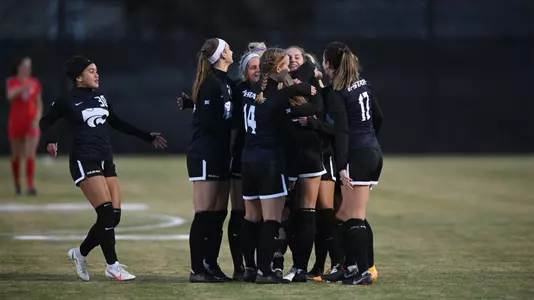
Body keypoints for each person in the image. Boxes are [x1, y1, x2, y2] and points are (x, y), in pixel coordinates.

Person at [39, 55, 167, 281]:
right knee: (106, 212)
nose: (97, 74)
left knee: (113, 217)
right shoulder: (67, 100)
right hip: (83, 160)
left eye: (96, 70)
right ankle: (112, 266)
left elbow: (116, 121)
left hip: (105, 160)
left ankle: (80, 253)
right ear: (79, 77)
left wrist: (147, 137)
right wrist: (50, 139)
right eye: (91, 71)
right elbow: (46, 121)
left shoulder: (101, 97)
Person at [240, 47, 316, 284]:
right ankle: (265, 272)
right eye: (284, 64)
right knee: (271, 220)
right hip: (269, 163)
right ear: (277, 68)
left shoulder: (250, 92)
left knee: (251, 218)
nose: (288, 68)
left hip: (248, 160)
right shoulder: (279, 98)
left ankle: (250, 268)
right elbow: (289, 136)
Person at [319, 42, 383, 285]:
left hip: (358, 154)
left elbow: (342, 131)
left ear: (328, 64)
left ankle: (364, 271)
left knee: (354, 215)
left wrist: (343, 164)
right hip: (372, 151)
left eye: (325, 62)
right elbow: (379, 117)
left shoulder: (339, 92)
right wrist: (369, 141)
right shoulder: (363, 84)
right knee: (345, 214)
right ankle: (352, 266)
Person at [186, 38, 235, 283]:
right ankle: (197, 270)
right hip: (205, 154)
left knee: (218, 214)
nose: (231, 51)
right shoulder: (210, 84)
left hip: (221, 154)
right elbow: (209, 123)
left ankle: (211, 265)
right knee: (204, 213)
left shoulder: (224, 82)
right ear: (220, 56)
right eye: (227, 49)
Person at [6, 56, 43, 196]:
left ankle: (30, 186)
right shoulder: (12, 82)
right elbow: (10, 96)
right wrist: (23, 87)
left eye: (29, 66)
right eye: (25, 66)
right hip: (16, 121)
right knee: (16, 155)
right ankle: (16, 184)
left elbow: (39, 103)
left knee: (30, 153)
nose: (27, 69)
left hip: (30, 121)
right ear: (19, 67)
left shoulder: (35, 83)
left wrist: (38, 118)